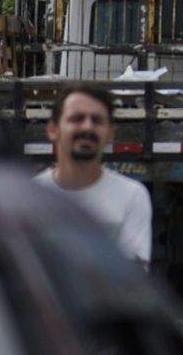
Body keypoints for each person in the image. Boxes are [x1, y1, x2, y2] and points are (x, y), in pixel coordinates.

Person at [34, 84, 152, 265]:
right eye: (77, 118)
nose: (87, 127)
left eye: (97, 120)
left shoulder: (132, 197)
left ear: (110, 133)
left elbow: (131, 282)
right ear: (53, 130)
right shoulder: (30, 196)